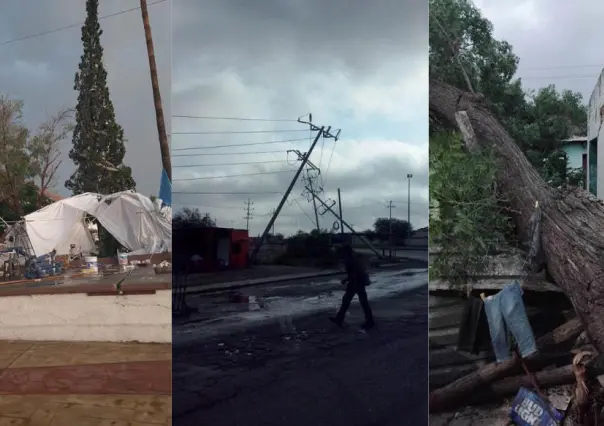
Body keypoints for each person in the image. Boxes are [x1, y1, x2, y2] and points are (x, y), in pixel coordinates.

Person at [329, 244, 375, 330]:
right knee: (356, 302)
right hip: (358, 282)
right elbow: (357, 272)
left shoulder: (349, 261)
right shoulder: (353, 259)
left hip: (356, 283)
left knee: (352, 302)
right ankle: (340, 319)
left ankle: (369, 321)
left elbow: (354, 274)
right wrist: (347, 280)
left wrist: (348, 281)